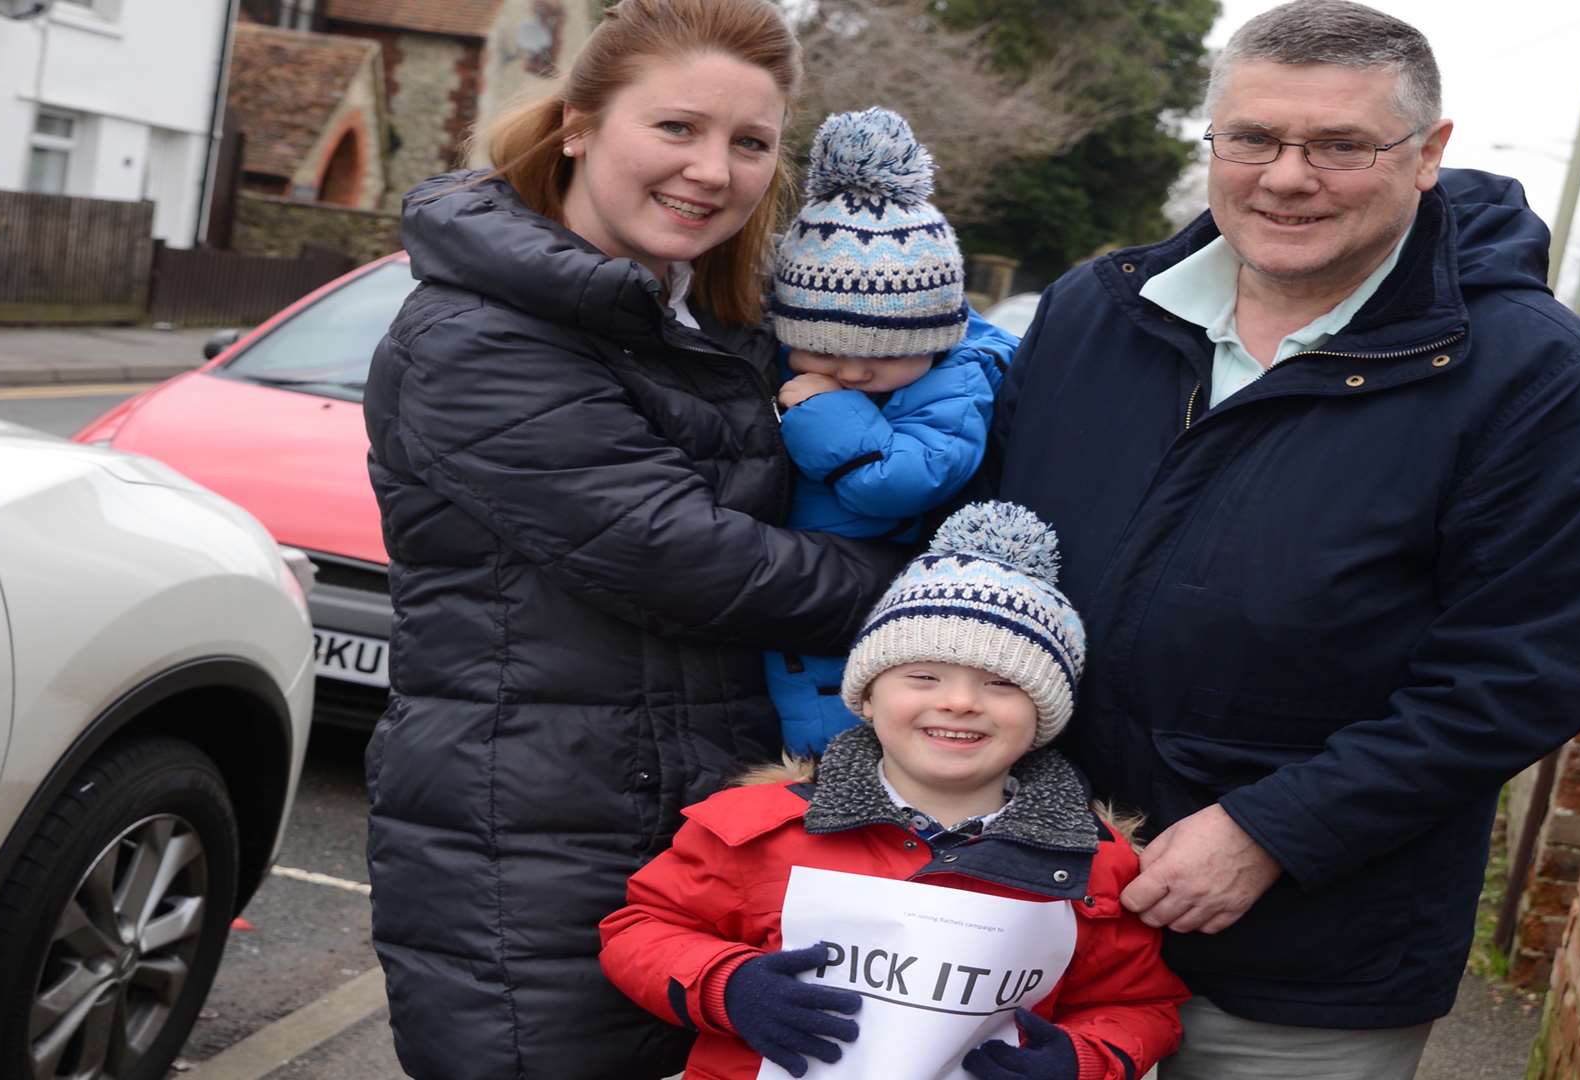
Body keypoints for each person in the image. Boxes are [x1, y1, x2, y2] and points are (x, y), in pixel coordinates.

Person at [978, 1, 1580, 1076]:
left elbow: (1521, 672)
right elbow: (977, 557)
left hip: (1303, 969)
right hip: (1025, 910)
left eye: (1341, 145)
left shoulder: (1538, 380)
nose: (1287, 177)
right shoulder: (1096, 313)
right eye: (1252, 138)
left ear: (1429, 153)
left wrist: (1273, 832)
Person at [360, 2, 912, 1077]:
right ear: (576, 126)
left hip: (695, 812)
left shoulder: (704, 318)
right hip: (537, 839)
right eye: (677, 129)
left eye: (750, 143)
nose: (714, 169)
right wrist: (924, 585)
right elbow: (681, 555)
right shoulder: (476, 334)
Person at [599, 502, 1189, 1079]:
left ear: (1045, 715)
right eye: (923, 677)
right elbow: (640, 930)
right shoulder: (755, 826)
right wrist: (728, 987)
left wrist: (1079, 1061)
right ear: (869, 696)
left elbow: (1137, 1006)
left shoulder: (1095, 861)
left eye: (1001, 683)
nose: (959, 701)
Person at [765, 105, 1017, 755]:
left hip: (866, 612)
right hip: (801, 596)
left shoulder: (955, 384)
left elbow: (901, 481)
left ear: (932, 336)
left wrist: (824, 411)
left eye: (880, 353)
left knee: (843, 750)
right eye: (822, 347)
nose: (851, 369)